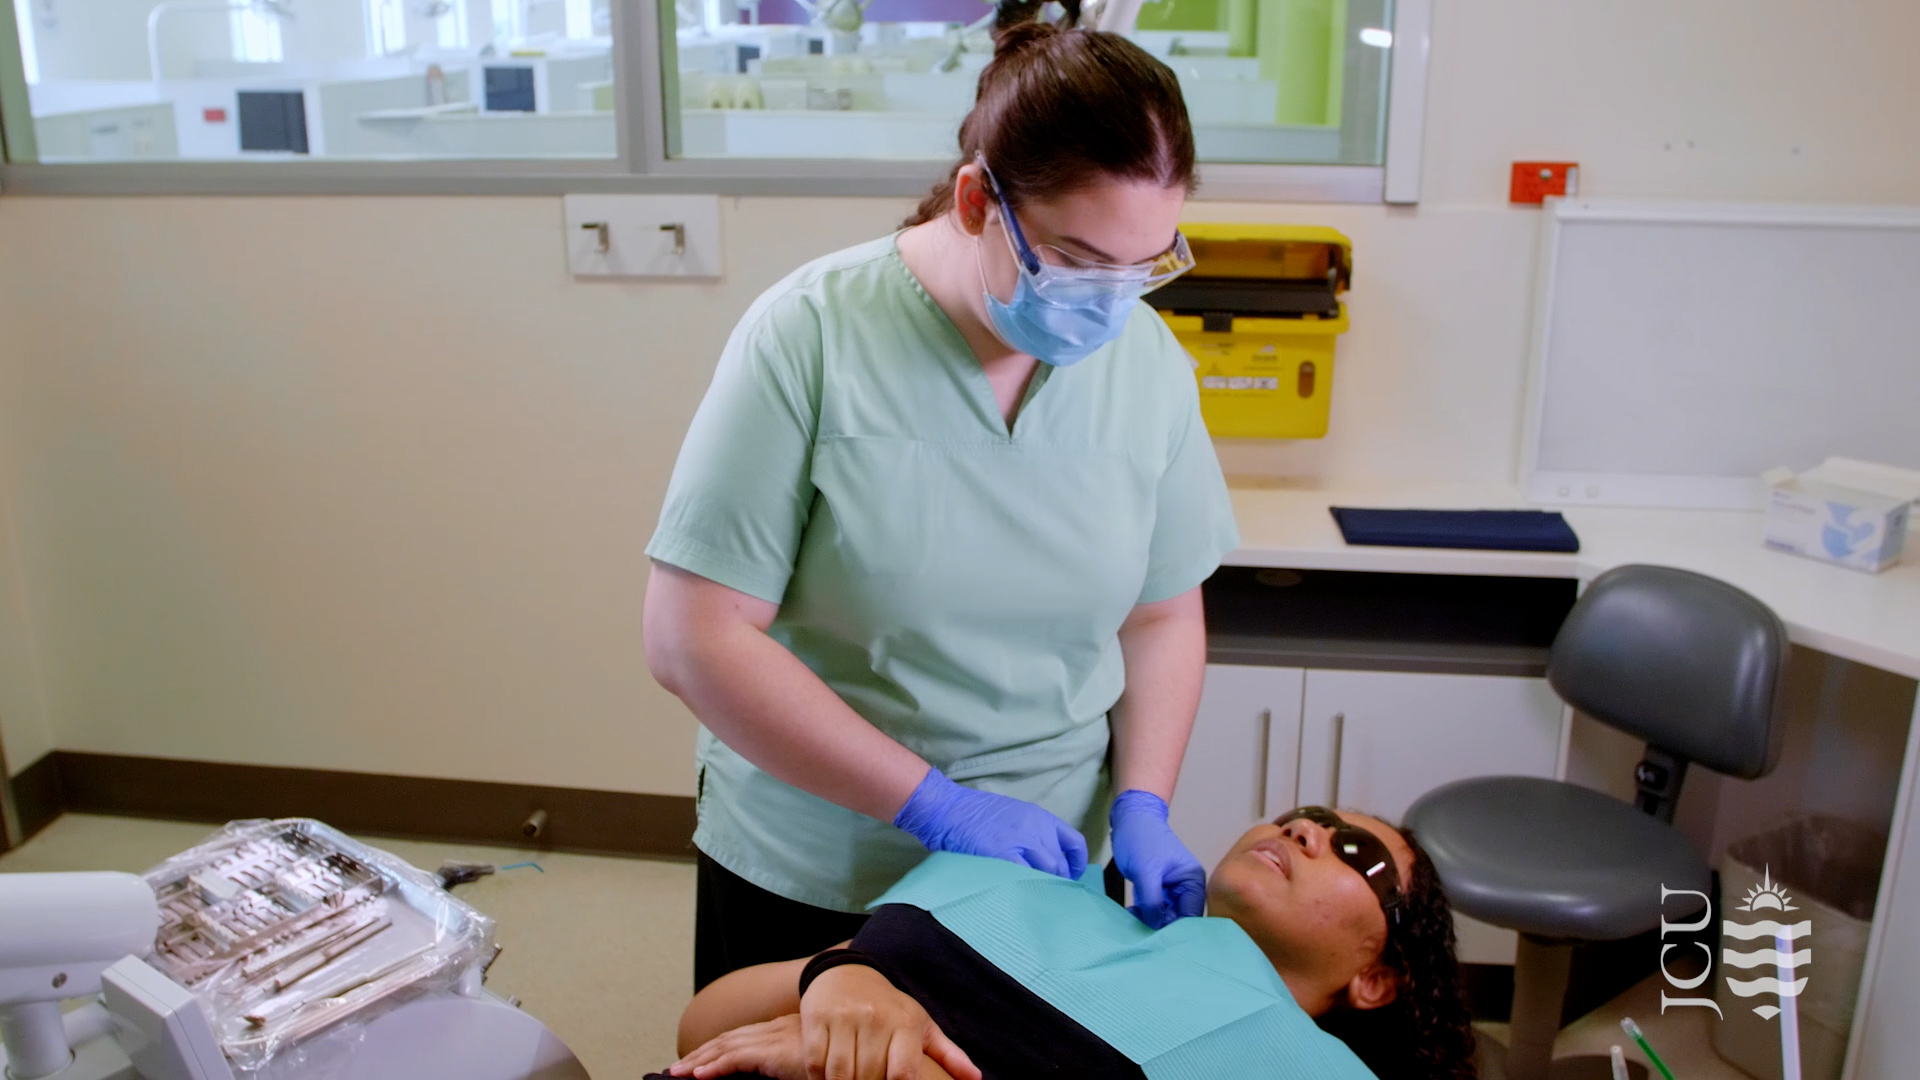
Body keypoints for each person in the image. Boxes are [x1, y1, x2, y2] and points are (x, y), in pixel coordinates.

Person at [642, 0, 1238, 991]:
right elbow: (693, 639)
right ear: (974, 201)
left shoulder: (1149, 366)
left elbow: (1163, 612)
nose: (1110, 303)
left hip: (1043, 868)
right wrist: (934, 805)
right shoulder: (810, 336)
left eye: (1146, 268)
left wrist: (1143, 803)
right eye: (1082, 263)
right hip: (820, 860)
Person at [659, 807, 1481, 1080]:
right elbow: (702, 1029)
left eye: (1357, 854)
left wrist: (878, 1063)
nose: (1309, 828)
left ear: (1379, 979)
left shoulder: (1308, 1067)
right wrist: (837, 977)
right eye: (1314, 815)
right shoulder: (1041, 883)